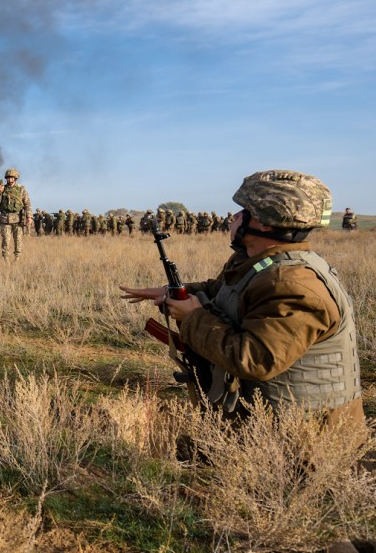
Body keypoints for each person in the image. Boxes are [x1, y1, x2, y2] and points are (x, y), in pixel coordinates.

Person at [120, 170, 362, 433]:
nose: (234, 217)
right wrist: (176, 292)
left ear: (266, 223)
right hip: (263, 423)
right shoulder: (260, 264)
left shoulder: (291, 285)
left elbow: (254, 359)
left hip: (299, 437)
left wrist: (192, 317)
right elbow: (224, 290)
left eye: (243, 211)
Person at [0, 168, 31, 260]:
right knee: (5, 241)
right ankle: (5, 259)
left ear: (15, 178)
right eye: (8, 178)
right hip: (5, 219)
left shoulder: (21, 189)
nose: (9, 179)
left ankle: (17, 258)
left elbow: (27, 203)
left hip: (18, 219)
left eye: (11, 178)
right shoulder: (2, 188)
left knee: (18, 240)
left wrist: (29, 216)